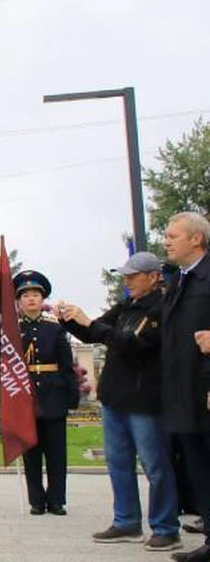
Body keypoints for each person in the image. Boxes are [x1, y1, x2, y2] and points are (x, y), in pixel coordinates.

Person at [58, 252, 181, 551]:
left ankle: (166, 527)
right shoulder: (127, 306)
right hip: (115, 396)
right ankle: (126, 520)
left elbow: (133, 344)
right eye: (124, 277)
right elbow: (95, 332)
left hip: (145, 399)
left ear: (153, 277)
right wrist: (72, 320)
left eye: (133, 276)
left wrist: (93, 324)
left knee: (155, 465)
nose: (127, 282)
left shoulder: (161, 308)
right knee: (118, 463)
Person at [161, 212, 210, 562]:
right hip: (183, 391)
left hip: (207, 386)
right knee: (198, 468)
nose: (167, 240)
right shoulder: (179, 281)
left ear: (196, 239)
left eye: (172, 234)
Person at [13, 270, 79, 516]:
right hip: (25, 395)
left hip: (53, 393)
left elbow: (66, 365)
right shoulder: (13, 330)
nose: (31, 299)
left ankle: (56, 500)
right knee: (31, 451)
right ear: (19, 301)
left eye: (35, 295)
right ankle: (36, 500)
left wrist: (72, 396)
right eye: (26, 295)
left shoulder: (55, 329)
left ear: (43, 300)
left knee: (56, 452)